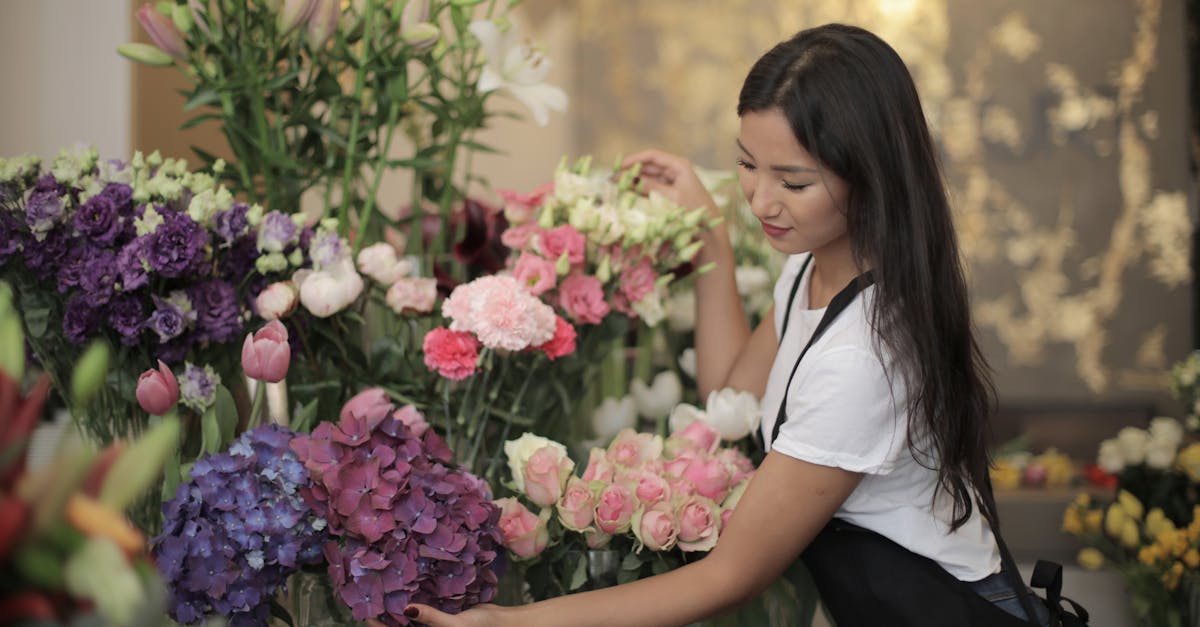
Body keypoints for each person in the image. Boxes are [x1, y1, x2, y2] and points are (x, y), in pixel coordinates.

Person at [404, 23, 1052, 627]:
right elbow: (731, 401)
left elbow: (731, 575)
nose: (760, 200)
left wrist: (513, 621)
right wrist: (710, 239)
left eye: (793, 181)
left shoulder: (866, 353)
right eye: (747, 164)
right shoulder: (815, 268)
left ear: (870, 178)